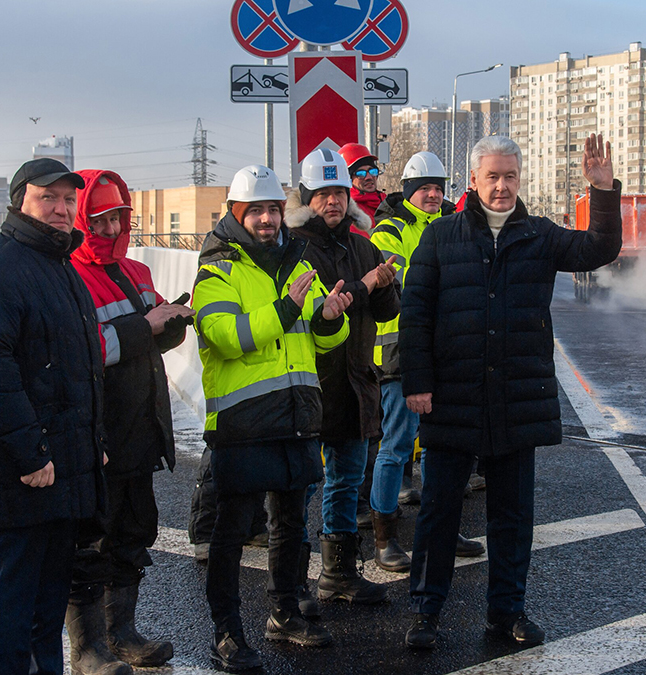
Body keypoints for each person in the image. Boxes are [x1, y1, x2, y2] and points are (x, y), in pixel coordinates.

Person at [400, 135, 621, 649]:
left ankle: (507, 613)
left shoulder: (539, 235)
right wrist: (418, 382)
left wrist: (603, 191)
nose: (501, 187)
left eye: (510, 177)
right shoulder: (440, 238)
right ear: (473, 181)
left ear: (519, 179)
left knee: (513, 515)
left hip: (515, 397)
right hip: (453, 397)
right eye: (492, 177)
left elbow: (599, 249)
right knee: (439, 511)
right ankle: (425, 613)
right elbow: (415, 314)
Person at [193, 165, 351, 669]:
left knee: (291, 525)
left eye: (272, 210)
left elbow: (322, 339)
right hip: (243, 422)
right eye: (255, 211)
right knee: (232, 530)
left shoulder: (296, 258)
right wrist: (287, 308)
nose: (266, 219)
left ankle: (284, 612)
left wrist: (330, 317)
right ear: (236, 214)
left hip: (297, 416)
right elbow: (226, 336)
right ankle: (226, 632)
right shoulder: (218, 268)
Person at [0, 158, 106, 674]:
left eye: (69, 199)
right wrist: (30, 453)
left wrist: (94, 441)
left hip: (63, 464)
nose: (63, 208)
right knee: (14, 606)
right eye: (49, 198)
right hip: (25, 471)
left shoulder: (59, 265)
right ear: (20, 200)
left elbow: (78, 367)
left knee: (48, 608)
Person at [65, 170, 193, 673]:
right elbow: (82, 352)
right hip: (98, 430)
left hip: (140, 425)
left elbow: (148, 338)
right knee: (91, 539)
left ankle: (121, 633)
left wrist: (171, 324)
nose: (113, 225)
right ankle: (88, 648)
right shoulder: (70, 274)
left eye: (119, 216)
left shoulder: (136, 271)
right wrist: (145, 325)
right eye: (102, 218)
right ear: (84, 220)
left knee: (134, 529)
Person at [287, 149, 399, 605]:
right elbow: (322, 313)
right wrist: (369, 283)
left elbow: (386, 309)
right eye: (323, 194)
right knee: (300, 485)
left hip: (356, 380)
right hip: (311, 383)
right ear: (307, 198)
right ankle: (291, 582)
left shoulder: (361, 242)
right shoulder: (294, 245)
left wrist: (387, 282)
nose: (333, 202)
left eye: (339, 193)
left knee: (347, 479)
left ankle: (338, 573)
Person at [369, 151, 484, 574]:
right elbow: (395, 279)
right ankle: (385, 539)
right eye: (425, 189)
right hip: (402, 354)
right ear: (409, 193)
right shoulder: (389, 229)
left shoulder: (455, 225)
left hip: (449, 352)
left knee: (444, 446)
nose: (434, 195)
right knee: (397, 445)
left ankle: (442, 529)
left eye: (439, 188)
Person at [340, 143, 385, 227]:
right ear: (349, 179)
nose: (369, 177)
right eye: (360, 174)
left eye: (372, 171)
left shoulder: (387, 203)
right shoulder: (348, 213)